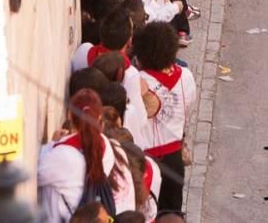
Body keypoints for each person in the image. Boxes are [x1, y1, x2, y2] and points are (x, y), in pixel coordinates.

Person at [38, 88, 135, 220]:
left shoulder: (65, 156)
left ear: (70, 115)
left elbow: (34, 173)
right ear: (100, 117)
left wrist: (53, 143)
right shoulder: (105, 146)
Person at [135, 21, 197, 214]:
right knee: (172, 213)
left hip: (146, 161)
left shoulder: (139, 82)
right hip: (174, 159)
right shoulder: (186, 76)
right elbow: (188, 110)